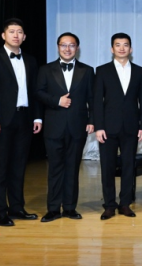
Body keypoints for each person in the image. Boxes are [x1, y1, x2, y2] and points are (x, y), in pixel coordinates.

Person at [0, 18, 42, 226]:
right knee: (0, 168)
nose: (16, 35)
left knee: (18, 167)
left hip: (24, 119)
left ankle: (16, 208)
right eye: (12, 31)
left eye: (19, 32)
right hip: (1, 120)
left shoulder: (31, 60)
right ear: (3, 35)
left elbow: (35, 91)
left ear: (24, 37)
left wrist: (37, 116)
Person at [35, 32, 94, 222]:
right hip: (54, 126)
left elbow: (92, 98)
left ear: (77, 48)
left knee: (72, 169)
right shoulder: (46, 69)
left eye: (71, 45)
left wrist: (92, 120)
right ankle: (53, 209)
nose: (67, 49)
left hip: (78, 127)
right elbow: (38, 93)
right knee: (55, 169)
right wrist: (56, 101)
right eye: (63, 45)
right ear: (58, 47)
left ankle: (69, 207)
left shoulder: (87, 70)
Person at [92, 33, 142, 220]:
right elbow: (97, 101)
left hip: (131, 127)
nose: (122, 48)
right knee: (107, 167)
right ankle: (109, 205)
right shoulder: (102, 71)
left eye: (125, 45)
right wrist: (99, 126)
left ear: (131, 49)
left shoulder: (139, 71)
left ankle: (125, 203)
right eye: (118, 45)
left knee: (128, 166)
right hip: (107, 128)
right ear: (112, 49)